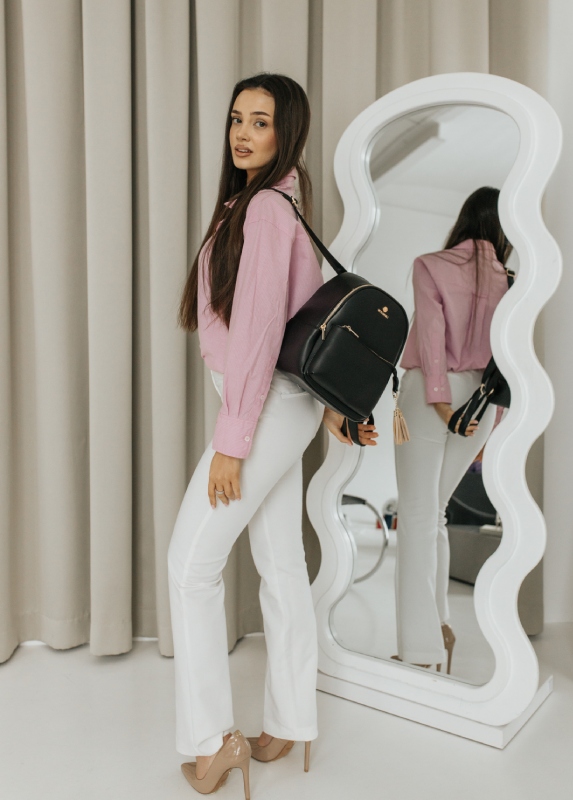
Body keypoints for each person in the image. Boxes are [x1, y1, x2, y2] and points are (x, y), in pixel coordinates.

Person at [168, 73, 377, 797]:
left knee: (190, 567)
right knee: (280, 561)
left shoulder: (263, 208)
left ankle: (211, 740)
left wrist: (233, 442)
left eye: (260, 121)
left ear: (288, 131)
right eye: (237, 119)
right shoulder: (268, 202)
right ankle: (291, 720)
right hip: (277, 402)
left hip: (261, 407)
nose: (242, 133)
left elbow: (259, 331)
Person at [393, 187, 512, 674]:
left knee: (417, 517)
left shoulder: (431, 265)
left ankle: (419, 649)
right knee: (435, 514)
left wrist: (440, 402)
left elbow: (431, 338)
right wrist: (489, 420)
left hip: (429, 393)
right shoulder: (511, 281)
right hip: (481, 402)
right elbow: (507, 360)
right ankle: (440, 624)